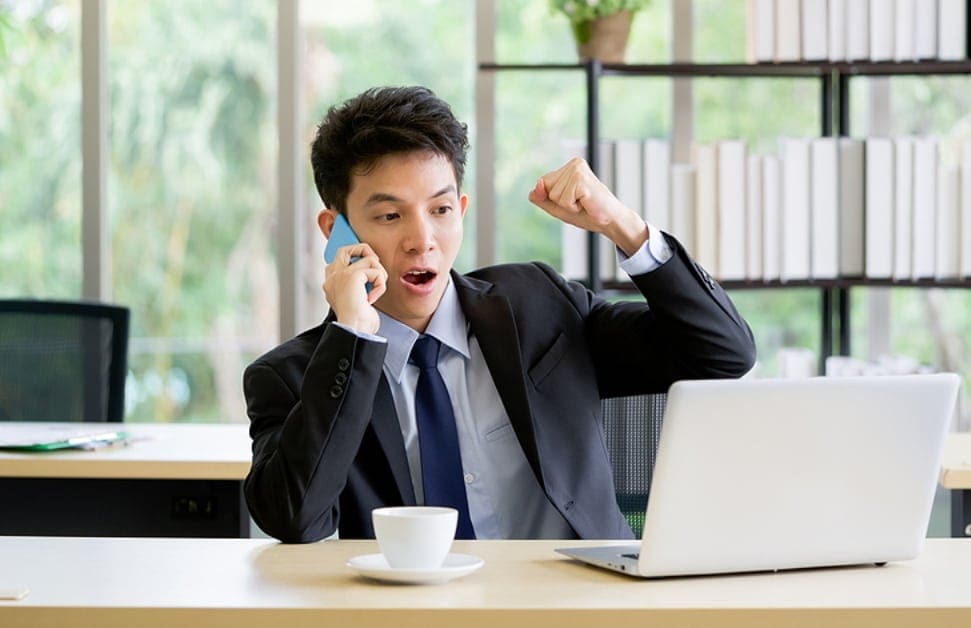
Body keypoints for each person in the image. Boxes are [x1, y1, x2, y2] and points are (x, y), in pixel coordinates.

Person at [243, 85, 755, 543]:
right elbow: (294, 518)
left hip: (580, 608)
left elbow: (721, 354)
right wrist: (352, 335)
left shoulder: (538, 307)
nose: (423, 241)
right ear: (336, 229)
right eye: (390, 215)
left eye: (440, 210)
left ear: (460, 211)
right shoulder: (290, 376)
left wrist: (624, 227)